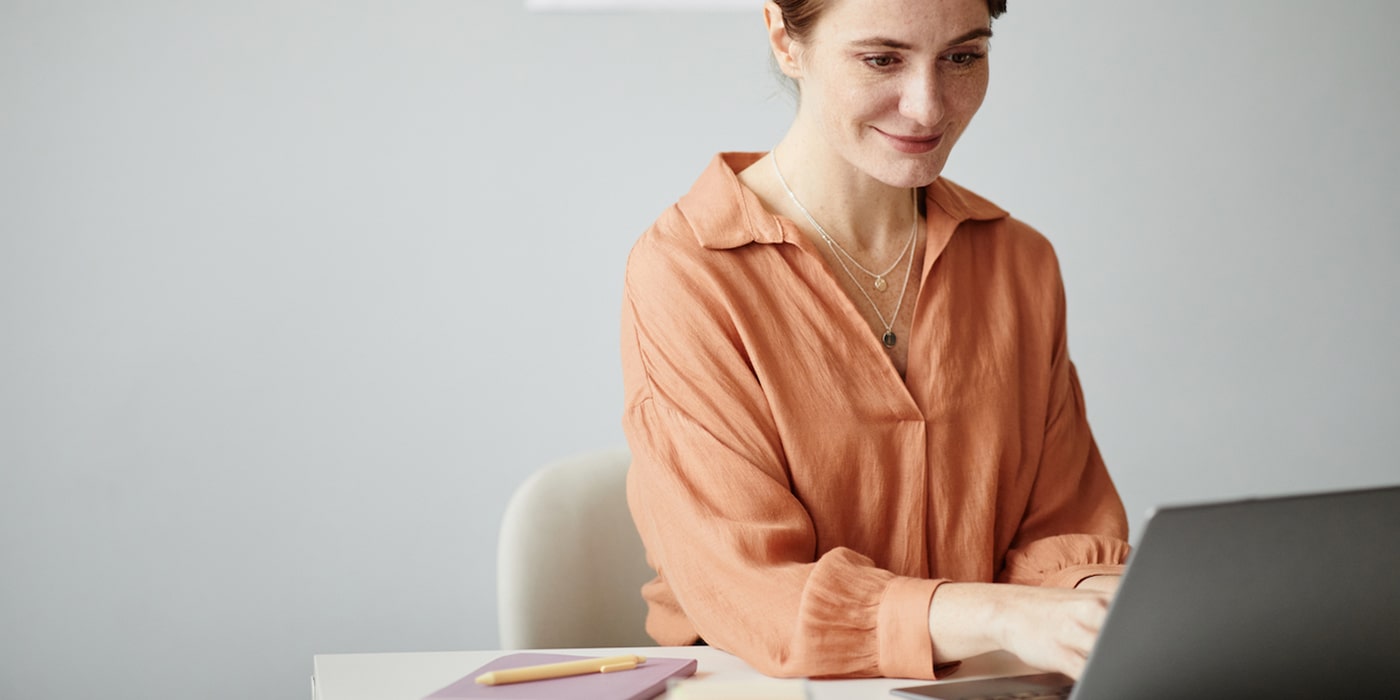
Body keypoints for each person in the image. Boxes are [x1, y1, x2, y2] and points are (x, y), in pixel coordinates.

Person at [619, 0, 1130, 682]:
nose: (927, 107)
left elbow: (1062, 539)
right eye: (882, 59)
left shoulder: (1020, 263)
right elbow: (754, 590)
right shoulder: (688, 272)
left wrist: (1106, 603)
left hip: (982, 686)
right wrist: (1004, 616)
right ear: (784, 38)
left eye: (963, 57)